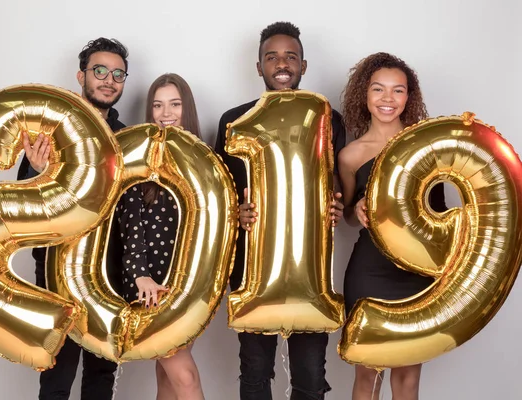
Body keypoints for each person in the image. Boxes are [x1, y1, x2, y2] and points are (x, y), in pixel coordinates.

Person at [214, 21, 346, 400]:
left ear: (304, 65)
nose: (282, 63)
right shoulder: (233, 120)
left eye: (291, 56)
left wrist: (337, 201)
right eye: (272, 57)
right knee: (255, 372)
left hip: (310, 272)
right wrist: (234, 214)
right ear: (259, 67)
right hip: (254, 268)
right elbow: (219, 189)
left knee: (310, 374)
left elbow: (341, 177)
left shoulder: (328, 119)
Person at [17, 37, 129, 400]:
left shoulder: (127, 137)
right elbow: (21, 205)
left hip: (108, 274)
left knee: (101, 375)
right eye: (100, 71)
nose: (109, 80)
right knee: (57, 377)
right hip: (56, 274)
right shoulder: (51, 130)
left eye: (118, 74)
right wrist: (37, 172)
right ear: (81, 76)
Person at [337, 52, 447, 400]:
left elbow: (441, 213)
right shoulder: (350, 155)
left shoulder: (427, 143)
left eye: (398, 91)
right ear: (364, 95)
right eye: (378, 90)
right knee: (367, 376)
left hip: (418, 270)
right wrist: (357, 208)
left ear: (408, 97)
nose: (388, 99)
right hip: (369, 271)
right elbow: (350, 219)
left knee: (407, 378)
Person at [114, 73, 204, 400]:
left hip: (188, 285)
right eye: (158, 105)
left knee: (168, 376)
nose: (166, 112)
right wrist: (140, 275)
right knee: (185, 376)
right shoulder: (141, 157)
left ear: (187, 108)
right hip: (150, 284)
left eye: (175, 104)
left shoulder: (203, 161)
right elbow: (130, 222)